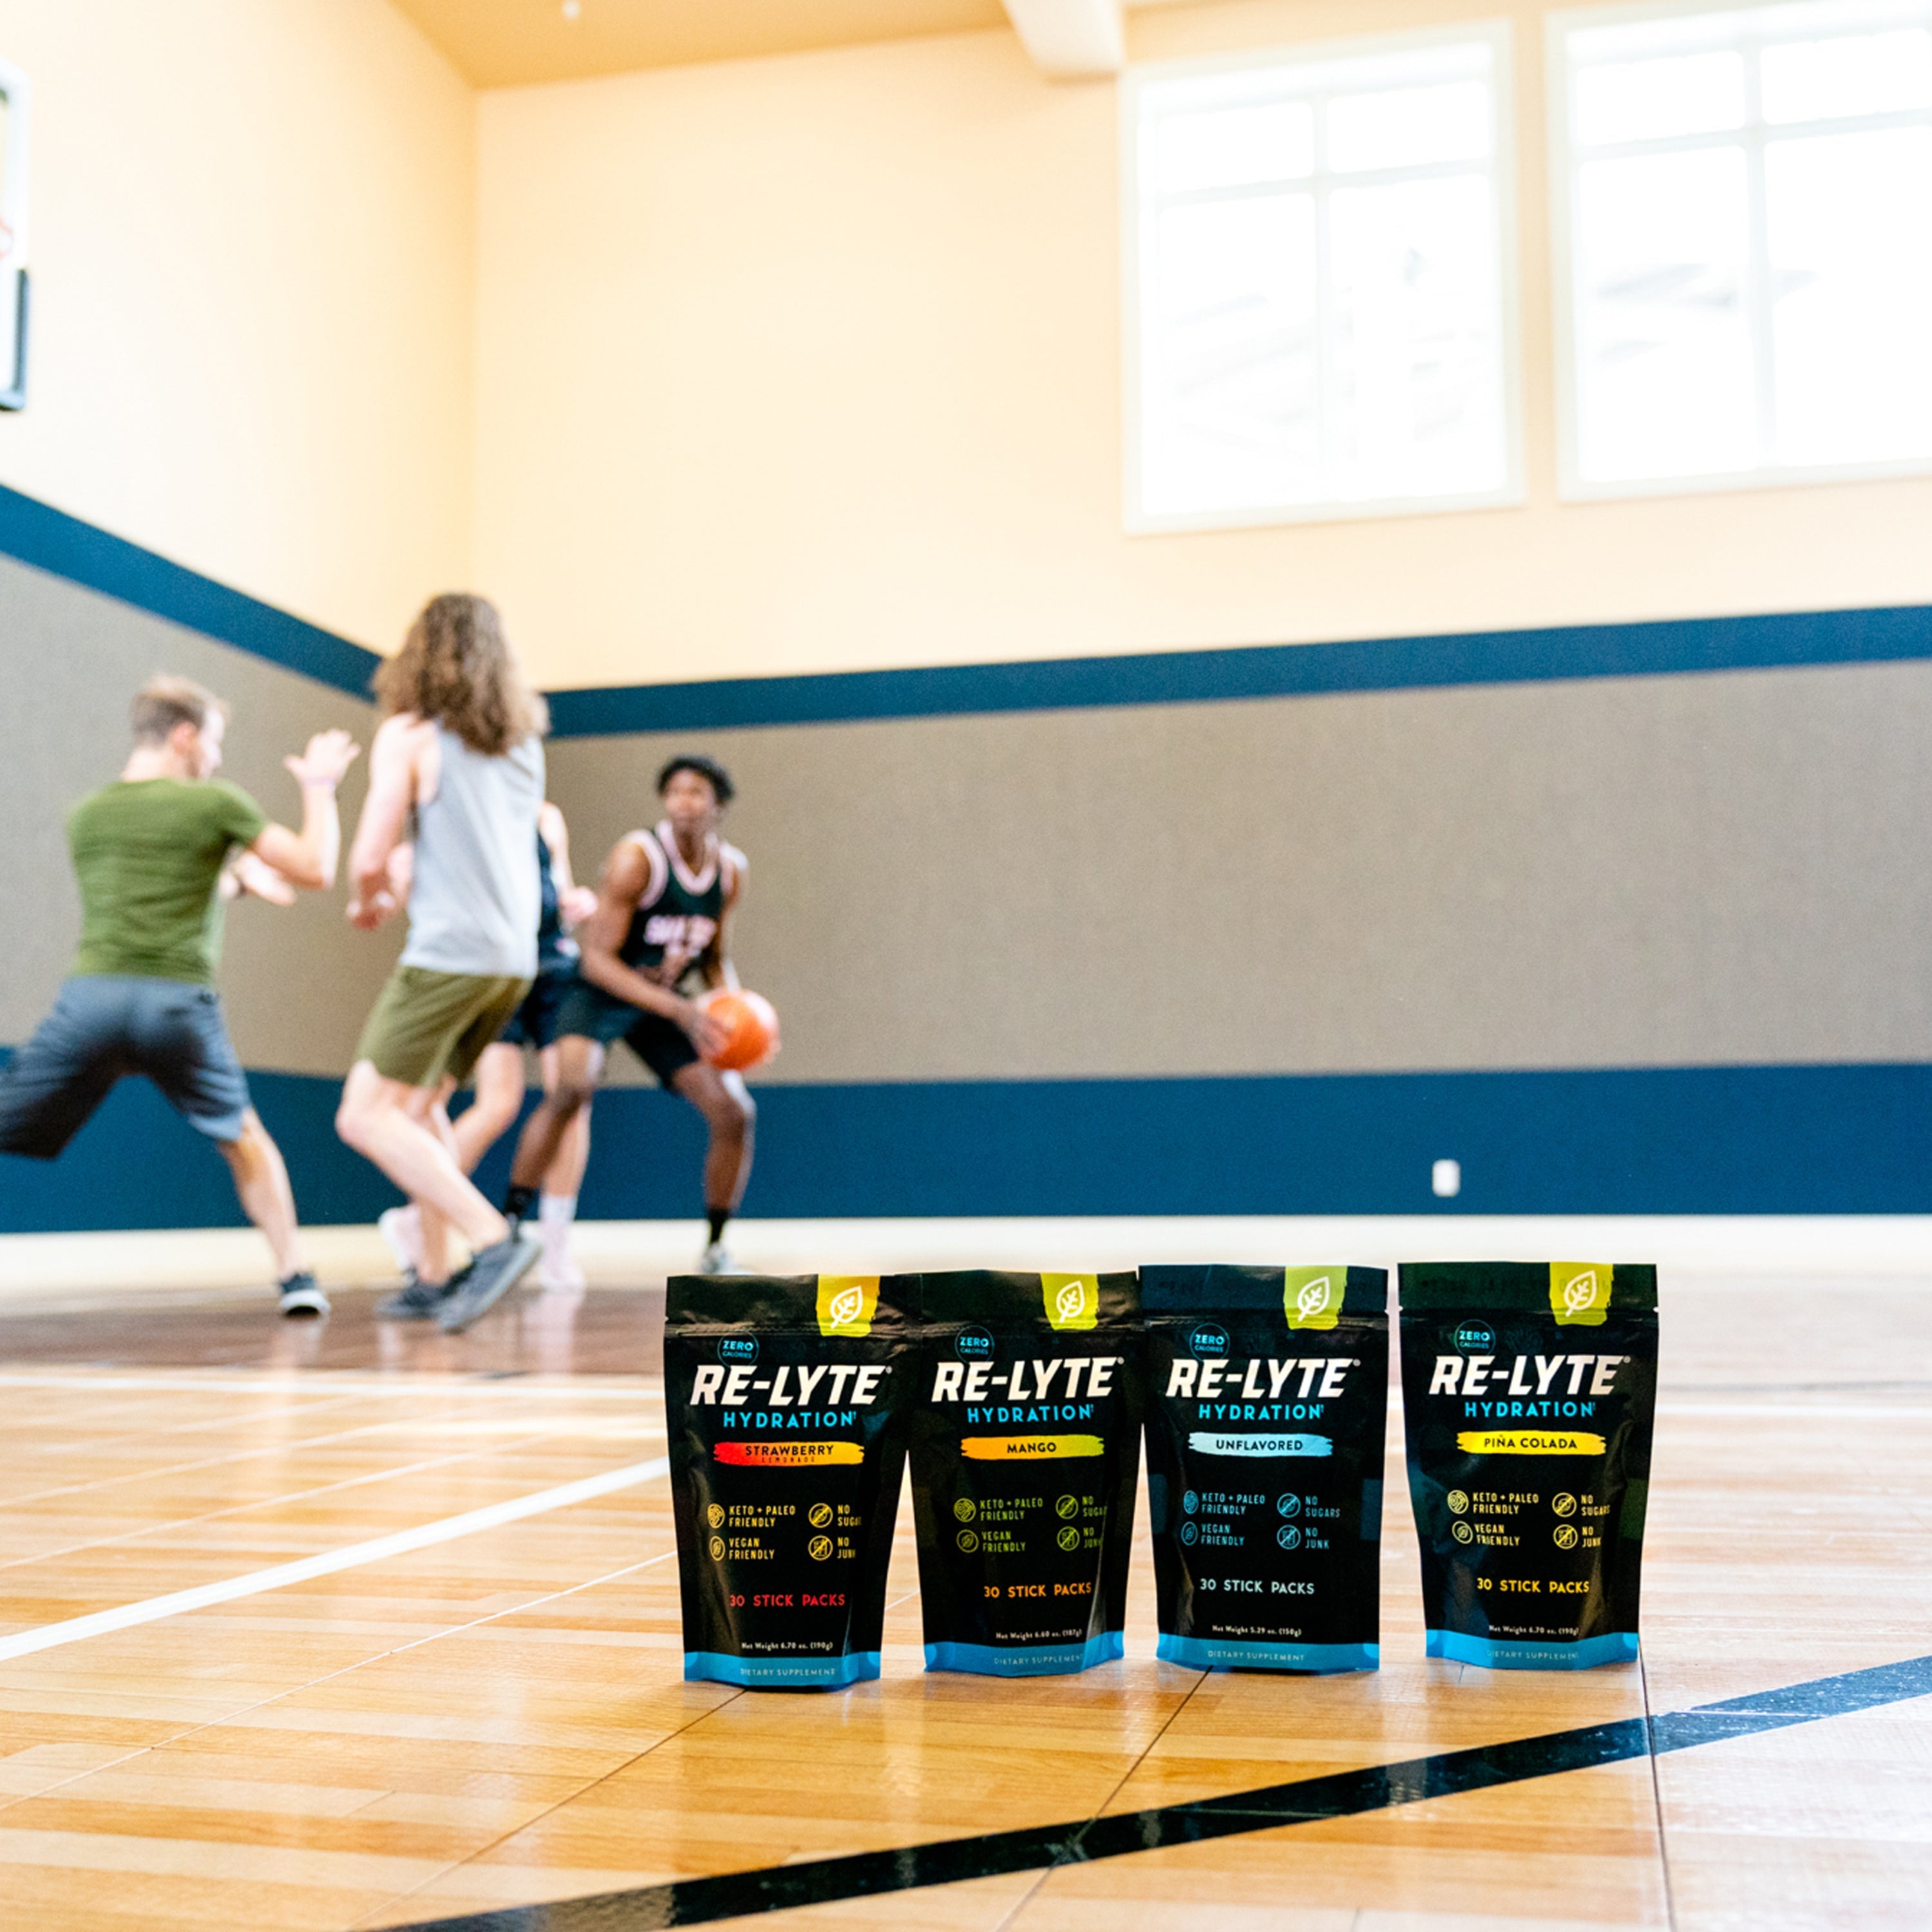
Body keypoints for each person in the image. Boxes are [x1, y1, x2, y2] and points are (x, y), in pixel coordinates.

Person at [0, 676, 358, 1317]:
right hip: (175, 1007)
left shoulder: (87, 815)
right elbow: (314, 867)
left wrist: (233, 882)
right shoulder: (215, 804)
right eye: (214, 743)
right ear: (185, 736)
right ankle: (296, 1277)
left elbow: (160, 891)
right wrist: (319, 786)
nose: (217, 759)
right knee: (244, 1138)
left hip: (94, 1002)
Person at [334, 592, 548, 1333]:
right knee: (421, 1110)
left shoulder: (409, 735)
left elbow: (370, 855)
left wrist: (367, 897)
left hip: (449, 955)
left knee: (364, 1115)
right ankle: (432, 1273)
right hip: (512, 960)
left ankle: (491, 1239)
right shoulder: (522, 748)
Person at [502, 754, 753, 1273]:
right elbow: (596, 960)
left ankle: (715, 1247)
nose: (683, 803)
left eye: (696, 793)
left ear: (719, 805)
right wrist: (681, 1010)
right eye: (675, 792)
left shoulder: (730, 871)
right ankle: (509, 1225)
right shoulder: (637, 858)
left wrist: (739, 1017)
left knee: (734, 1112)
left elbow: (714, 957)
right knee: (571, 1090)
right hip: (601, 993)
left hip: (665, 1004)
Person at [377, 803, 598, 1290]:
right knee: (498, 1103)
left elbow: (559, 889)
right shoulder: (458, 812)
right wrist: (401, 881)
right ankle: (421, 1213)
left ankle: (556, 1243)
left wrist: (575, 902)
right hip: (497, 962)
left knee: (572, 1101)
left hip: (553, 966)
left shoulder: (544, 817)